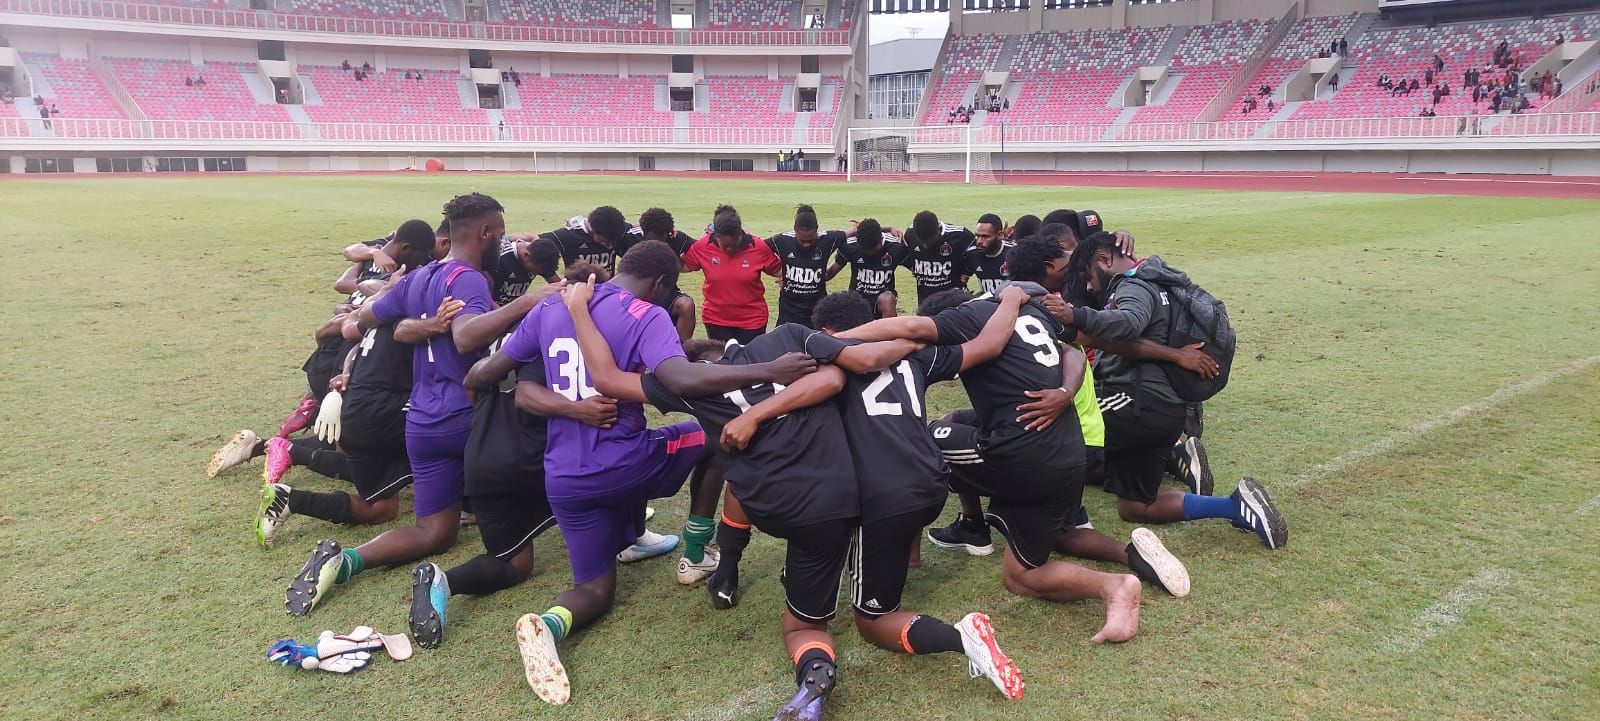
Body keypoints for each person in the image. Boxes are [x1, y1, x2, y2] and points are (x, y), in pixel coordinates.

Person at [488, 241, 817, 704]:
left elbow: (499, 374)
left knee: (595, 590)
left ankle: (549, 622)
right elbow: (679, 377)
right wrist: (771, 369)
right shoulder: (646, 312)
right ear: (662, 283)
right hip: (622, 462)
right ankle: (698, 552)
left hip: (563, 478)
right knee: (717, 437)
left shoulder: (551, 307)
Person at [839, 237, 1155, 644]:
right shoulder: (1033, 312)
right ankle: (1115, 585)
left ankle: (948, 537)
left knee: (922, 443)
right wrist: (1063, 394)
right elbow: (1073, 353)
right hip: (1069, 452)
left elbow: (913, 327)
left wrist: (838, 338)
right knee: (1021, 576)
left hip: (1023, 455)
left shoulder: (967, 317)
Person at [285, 193, 556, 617]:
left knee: (434, 532)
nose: (501, 244)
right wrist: (528, 302)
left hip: (422, 422)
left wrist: (418, 325)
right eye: (500, 235)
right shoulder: (468, 279)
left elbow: (367, 318)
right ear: (485, 233)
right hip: (468, 424)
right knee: (519, 556)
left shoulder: (419, 277)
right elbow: (467, 337)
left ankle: (347, 561)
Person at [1058, 233, 1286, 549]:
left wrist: (1075, 316)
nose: (1088, 287)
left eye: (1087, 276)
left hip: (1135, 401)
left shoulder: (1133, 286)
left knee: (1058, 427)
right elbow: (1132, 339)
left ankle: (1055, 519)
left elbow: (1128, 323)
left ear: (1105, 260)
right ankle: (1235, 505)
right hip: (1165, 410)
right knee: (1135, 507)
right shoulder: (1158, 281)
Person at [254, 221, 441, 548]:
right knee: (445, 431)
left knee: (382, 508)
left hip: (357, 402)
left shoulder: (381, 302)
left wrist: (345, 379)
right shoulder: (415, 306)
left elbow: (356, 336)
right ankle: (468, 503)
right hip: (377, 409)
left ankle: (289, 497)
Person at [680, 207, 781, 343]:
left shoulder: (758, 247)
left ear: (740, 234)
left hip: (752, 320)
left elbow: (778, 270)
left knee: (749, 362)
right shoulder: (702, 247)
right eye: (725, 246)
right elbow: (683, 266)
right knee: (723, 361)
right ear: (716, 236)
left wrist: (788, 277)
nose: (729, 249)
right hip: (716, 320)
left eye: (733, 245)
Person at [621, 207, 699, 342]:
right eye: (651, 240)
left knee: (686, 305)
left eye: (661, 239)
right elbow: (608, 225)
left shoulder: (677, 238)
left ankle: (682, 352)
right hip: (635, 293)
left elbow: (702, 248)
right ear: (644, 232)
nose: (657, 244)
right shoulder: (629, 238)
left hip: (665, 293)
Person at [767, 204, 847, 327]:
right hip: (789, 313)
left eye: (811, 240)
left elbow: (852, 235)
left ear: (817, 230)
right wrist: (780, 271)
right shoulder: (782, 241)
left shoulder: (827, 240)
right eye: (802, 240)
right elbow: (758, 249)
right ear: (795, 230)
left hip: (817, 312)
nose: (806, 244)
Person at [830, 218, 907, 319]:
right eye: (866, 250)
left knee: (887, 299)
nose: (870, 253)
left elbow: (917, 269)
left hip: (881, 301)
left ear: (880, 239)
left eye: (874, 249)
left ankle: (889, 332)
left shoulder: (895, 246)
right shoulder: (851, 246)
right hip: (857, 300)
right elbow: (829, 273)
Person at [901, 210, 975, 307]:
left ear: (938, 229)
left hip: (954, 300)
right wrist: (913, 266)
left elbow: (977, 251)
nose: (925, 245)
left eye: (929, 240)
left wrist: (967, 272)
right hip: (926, 302)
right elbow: (902, 253)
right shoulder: (910, 233)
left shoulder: (959, 235)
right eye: (921, 240)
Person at [540, 206, 632, 275]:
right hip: (577, 292)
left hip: (606, 294)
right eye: (605, 241)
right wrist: (556, 283)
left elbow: (636, 228)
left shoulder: (616, 229)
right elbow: (535, 246)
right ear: (594, 230)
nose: (607, 244)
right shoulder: (569, 235)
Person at [965, 213, 1013, 295]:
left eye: (985, 237)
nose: (979, 241)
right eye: (977, 236)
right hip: (987, 305)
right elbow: (962, 279)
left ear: (1000, 235)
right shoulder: (972, 254)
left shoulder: (1015, 253)